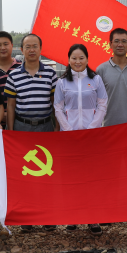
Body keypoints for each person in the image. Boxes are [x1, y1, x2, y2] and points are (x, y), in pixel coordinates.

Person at [0, 33, 58, 232]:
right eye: (27, 46)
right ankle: (27, 216)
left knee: (47, 174)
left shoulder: (51, 73)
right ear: (22, 50)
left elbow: (55, 103)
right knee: (24, 174)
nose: (31, 50)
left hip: (45, 127)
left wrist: (56, 127)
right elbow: (10, 105)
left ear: (40, 49)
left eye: (35, 46)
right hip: (22, 127)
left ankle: (48, 216)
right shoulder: (14, 75)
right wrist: (11, 131)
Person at [54, 43, 108, 235]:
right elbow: (58, 108)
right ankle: (73, 216)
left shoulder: (96, 80)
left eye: (81, 58)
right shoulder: (62, 82)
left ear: (87, 59)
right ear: (68, 60)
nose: (77, 62)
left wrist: (91, 128)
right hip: (69, 138)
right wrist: (68, 130)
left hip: (91, 137)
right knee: (72, 178)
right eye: (74, 58)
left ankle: (93, 218)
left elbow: (102, 105)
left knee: (92, 177)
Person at [96, 28, 127, 127]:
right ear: (110, 44)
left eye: (124, 41)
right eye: (116, 41)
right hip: (108, 123)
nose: (120, 44)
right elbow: (98, 99)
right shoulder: (101, 69)